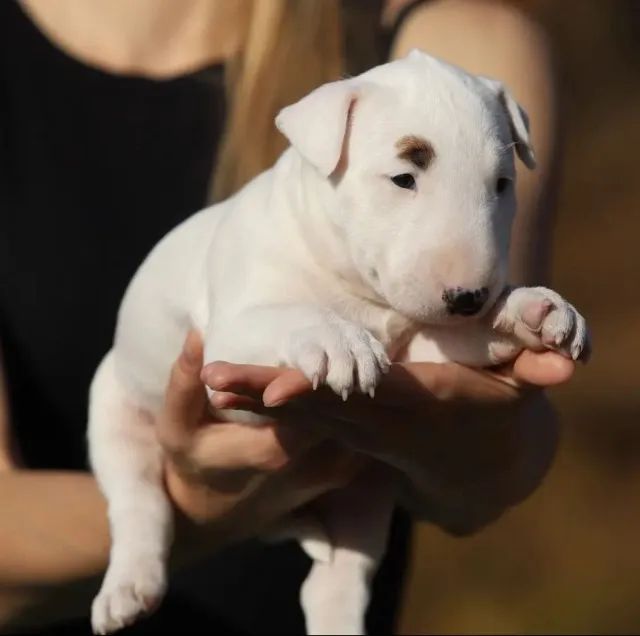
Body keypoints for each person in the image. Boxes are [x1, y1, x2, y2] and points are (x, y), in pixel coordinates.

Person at [0, 0, 571, 633]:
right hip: (119, 468)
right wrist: (187, 508)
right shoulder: (281, 216)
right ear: (328, 145)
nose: (470, 270)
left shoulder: (466, 45)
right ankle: (139, 539)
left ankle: (338, 591)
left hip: (342, 487)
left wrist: (511, 332)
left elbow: (493, 455)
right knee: (138, 491)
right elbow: (239, 356)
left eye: (498, 186)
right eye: (405, 181)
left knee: (363, 484)